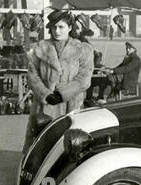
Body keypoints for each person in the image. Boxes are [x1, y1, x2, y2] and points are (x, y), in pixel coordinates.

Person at [23, 10, 94, 153]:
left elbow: (84, 78)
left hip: (71, 106)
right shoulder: (40, 48)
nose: (57, 31)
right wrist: (46, 94)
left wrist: (63, 94)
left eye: (61, 27)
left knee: (68, 147)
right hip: (45, 106)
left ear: (69, 28)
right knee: (41, 147)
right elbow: (32, 76)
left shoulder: (83, 50)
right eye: (54, 27)